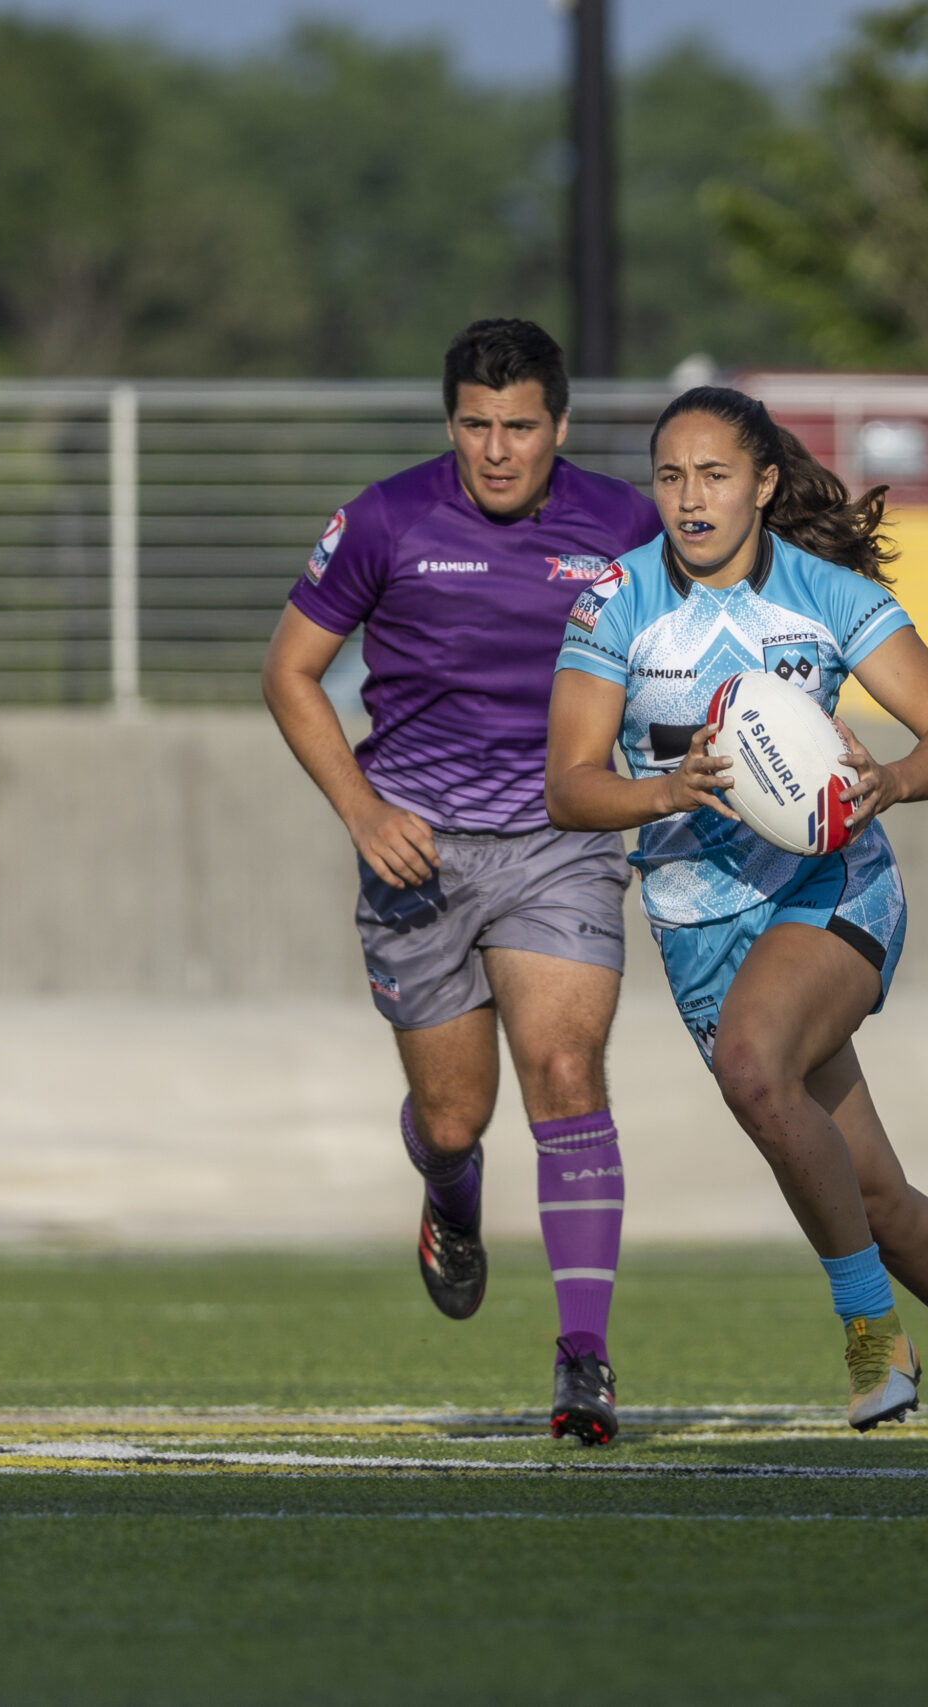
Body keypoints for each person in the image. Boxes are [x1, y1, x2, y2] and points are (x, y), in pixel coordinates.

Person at [544, 385, 928, 1477]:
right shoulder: (615, 604)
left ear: (761, 484)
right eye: (669, 477)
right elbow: (569, 786)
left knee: (756, 1066)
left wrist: (889, 779)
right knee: (880, 1199)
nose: (690, 498)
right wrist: (668, 793)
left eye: (713, 475)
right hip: (698, 926)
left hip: (831, 893)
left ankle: (869, 1331)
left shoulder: (831, 598)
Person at [260, 318, 661, 1445]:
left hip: (559, 839)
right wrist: (362, 808)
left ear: (559, 427)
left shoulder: (623, 527)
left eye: (520, 428)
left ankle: (583, 1356)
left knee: (568, 1073)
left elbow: (684, 646)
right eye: (477, 428)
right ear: (451, 425)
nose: (497, 451)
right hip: (417, 849)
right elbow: (289, 672)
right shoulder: (383, 520)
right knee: (454, 1117)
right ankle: (448, 1194)